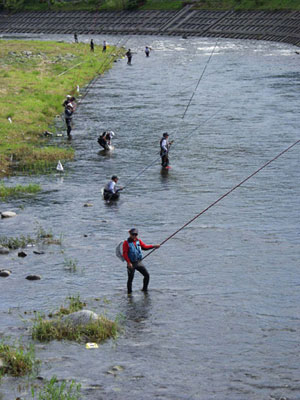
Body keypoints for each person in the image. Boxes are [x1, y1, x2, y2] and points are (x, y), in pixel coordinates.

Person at [123, 228, 160, 294]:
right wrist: (128, 263)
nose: (134, 236)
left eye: (135, 234)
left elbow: (145, 247)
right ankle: (129, 294)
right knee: (130, 279)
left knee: (147, 275)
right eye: (133, 234)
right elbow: (125, 254)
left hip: (138, 262)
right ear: (130, 234)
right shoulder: (126, 243)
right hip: (131, 263)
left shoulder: (138, 241)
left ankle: (144, 290)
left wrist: (154, 246)